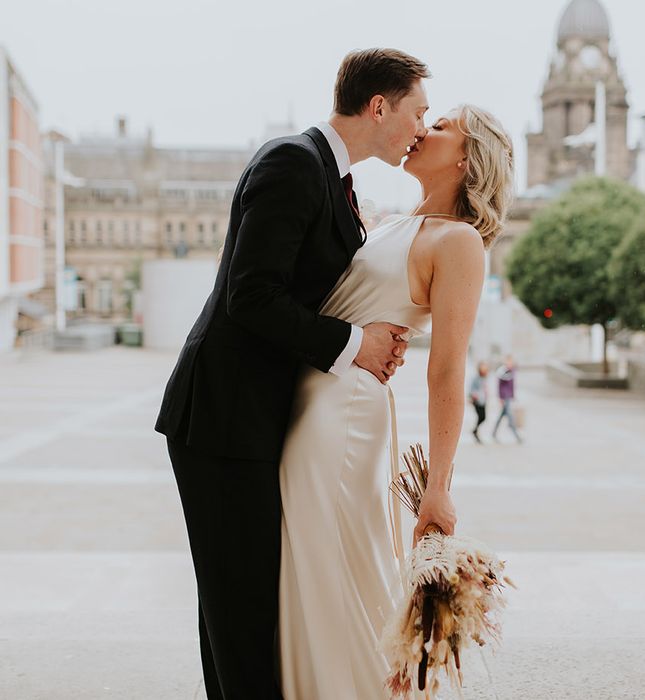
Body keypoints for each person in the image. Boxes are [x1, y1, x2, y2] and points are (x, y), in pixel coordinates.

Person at [154, 48, 431, 699]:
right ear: (379, 106)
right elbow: (251, 295)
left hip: (253, 417)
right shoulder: (292, 162)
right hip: (222, 417)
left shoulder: (329, 177)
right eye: (418, 111)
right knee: (240, 611)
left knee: (240, 607)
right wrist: (354, 344)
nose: (422, 126)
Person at [278, 99, 514, 697]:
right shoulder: (388, 222)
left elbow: (447, 370)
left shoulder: (459, 242)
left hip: (344, 414)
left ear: (467, 157)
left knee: (333, 573)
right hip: (310, 397)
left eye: (440, 127)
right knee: (307, 571)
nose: (421, 131)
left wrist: (438, 487)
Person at [492, 354, 523, 443]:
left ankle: (494, 433)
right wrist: (500, 398)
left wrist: (513, 396)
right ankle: (517, 436)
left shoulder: (512, 371)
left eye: (511, 361)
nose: (510, 363)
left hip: (509, 397)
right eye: (508, 361)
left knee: (501, 416)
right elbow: (499, 386)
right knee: (510, 417)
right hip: (505, 397)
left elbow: (512, 385)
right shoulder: (502, 371)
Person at [468, 361, 490, 444]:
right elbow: (471, 389)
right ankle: (475, 431)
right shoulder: (476, 378)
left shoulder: (485, 377)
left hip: (483, 400)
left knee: (483, 417)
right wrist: (473, 396)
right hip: (477, 400)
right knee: (482, 416)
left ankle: (475, 430)